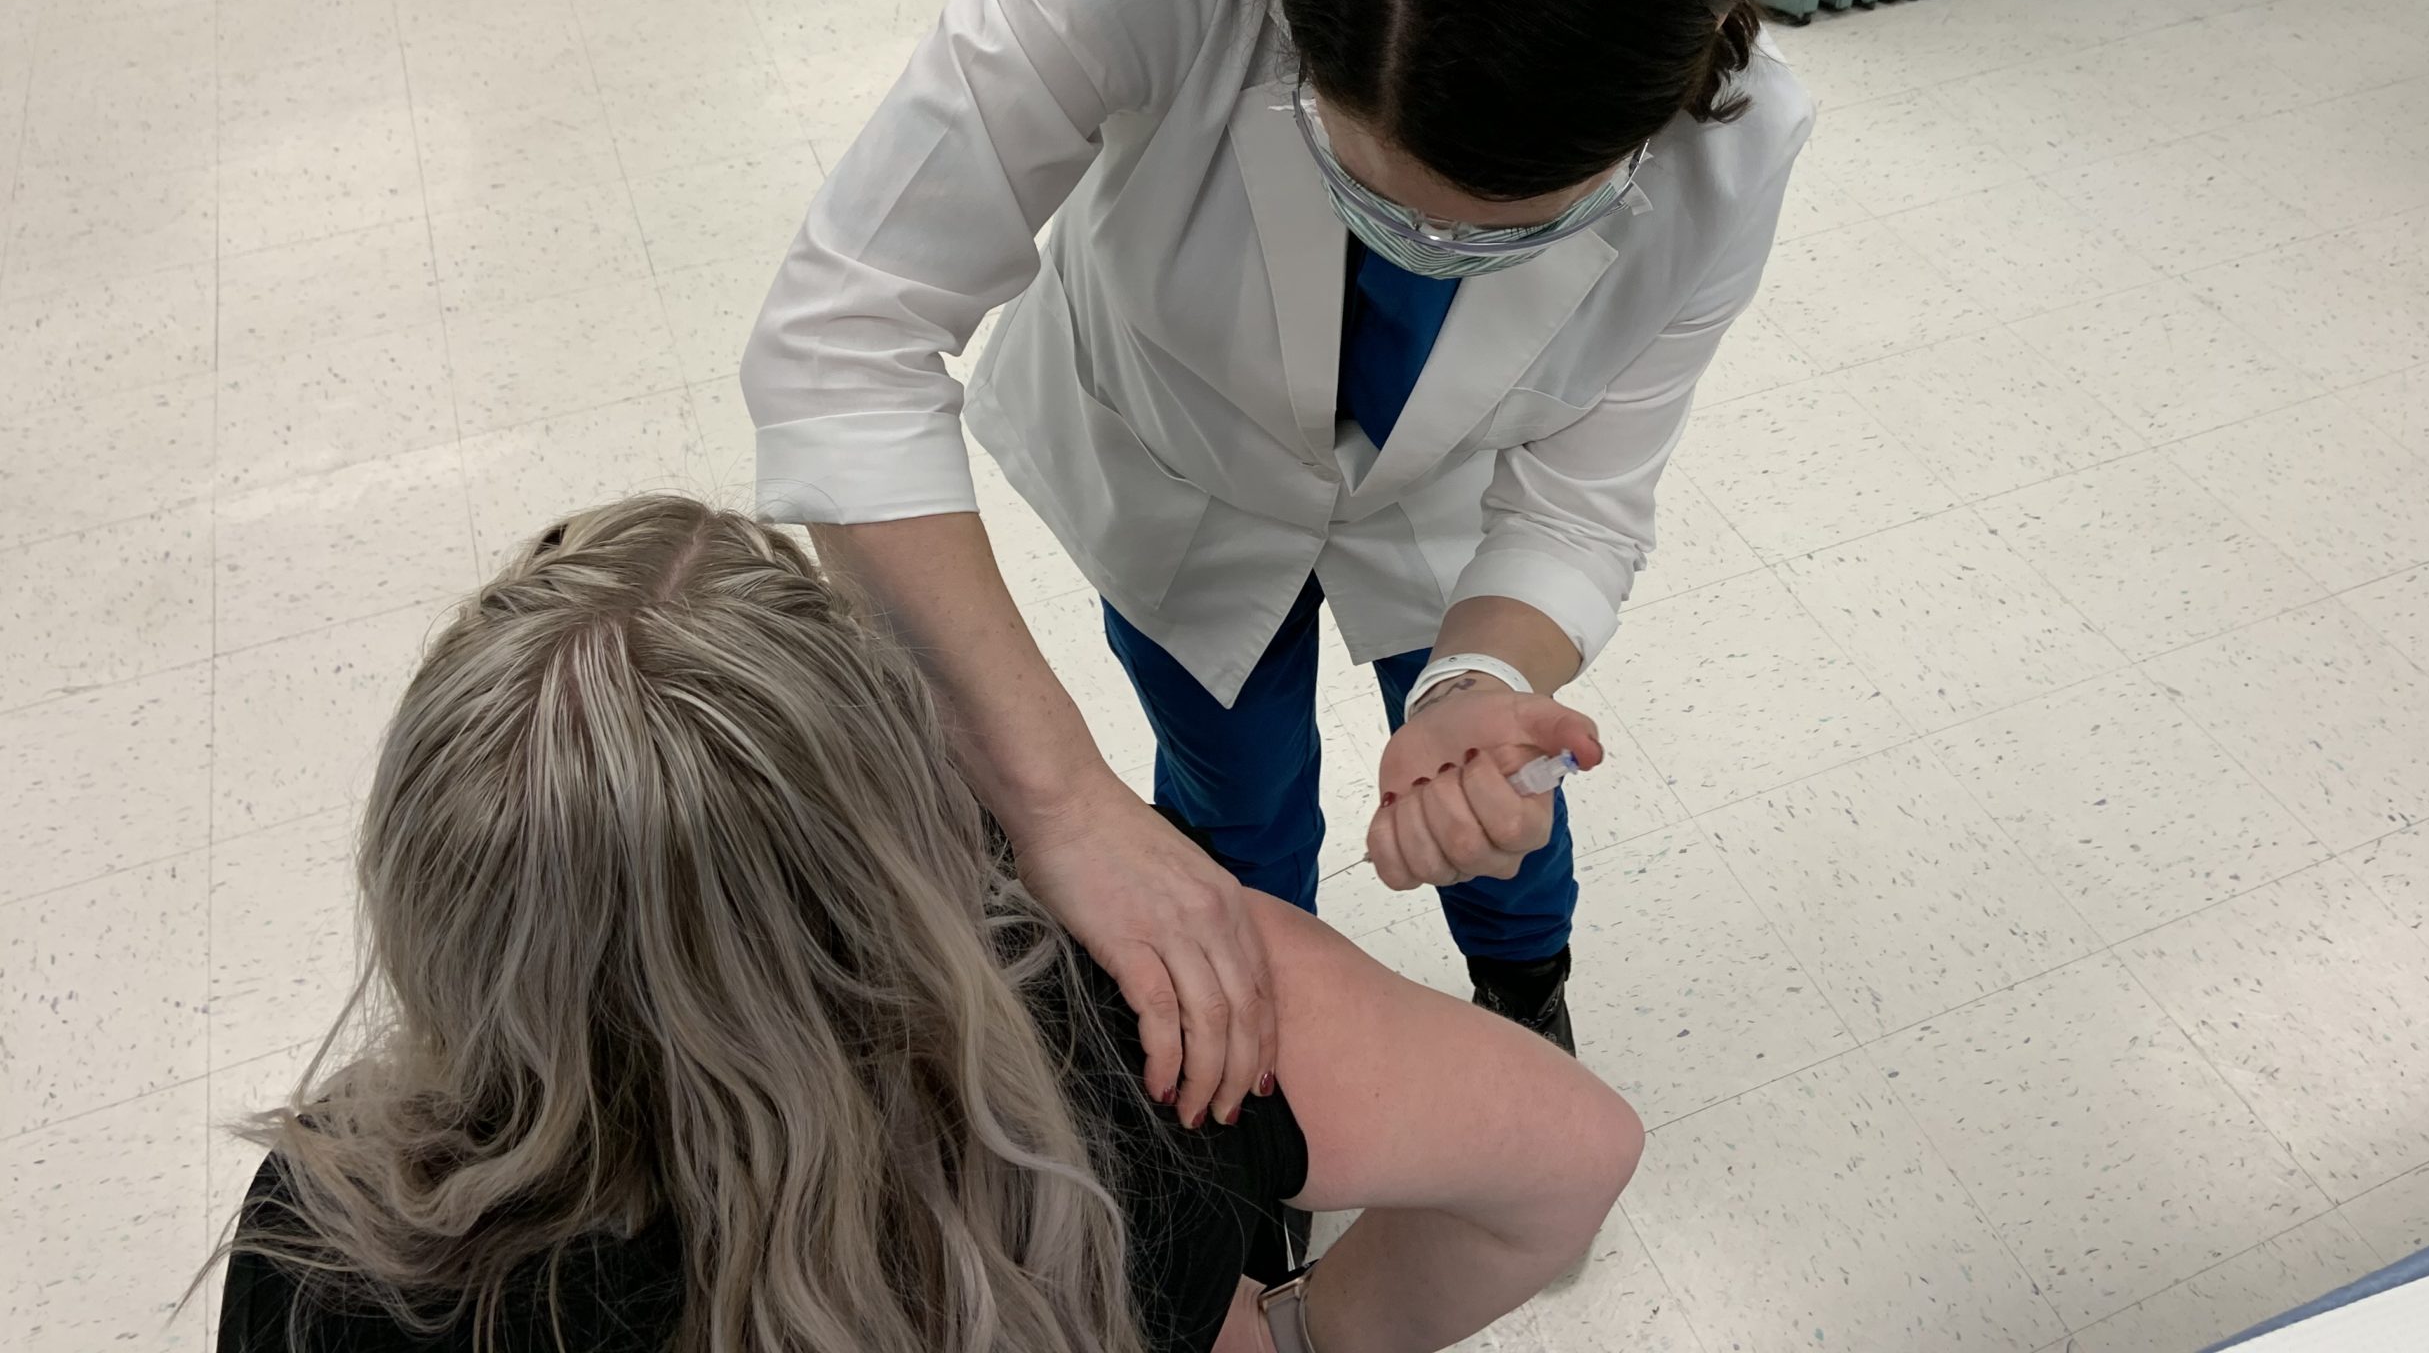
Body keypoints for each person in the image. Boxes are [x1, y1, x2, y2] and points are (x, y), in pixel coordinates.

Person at [745, 0, 1812, 1117]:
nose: (1426, 255)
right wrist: (1061, 804)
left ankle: (1524, 987)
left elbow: (1580, 496)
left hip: (1444, 503)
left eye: (1501, 234)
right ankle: (1253, 1077)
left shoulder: (1732, 148)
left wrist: (1489, 678)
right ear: (1291, 4)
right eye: (1373, 199)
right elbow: (843, 336)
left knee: (1491, 791)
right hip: (1175, 460)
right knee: (1229, 798)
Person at [204, 497, 1645, 1353]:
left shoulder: (333, 1247)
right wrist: (1308, 1330)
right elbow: (1576, 1154)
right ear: (903, 785)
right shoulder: (1162, 1033)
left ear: (429, 886)